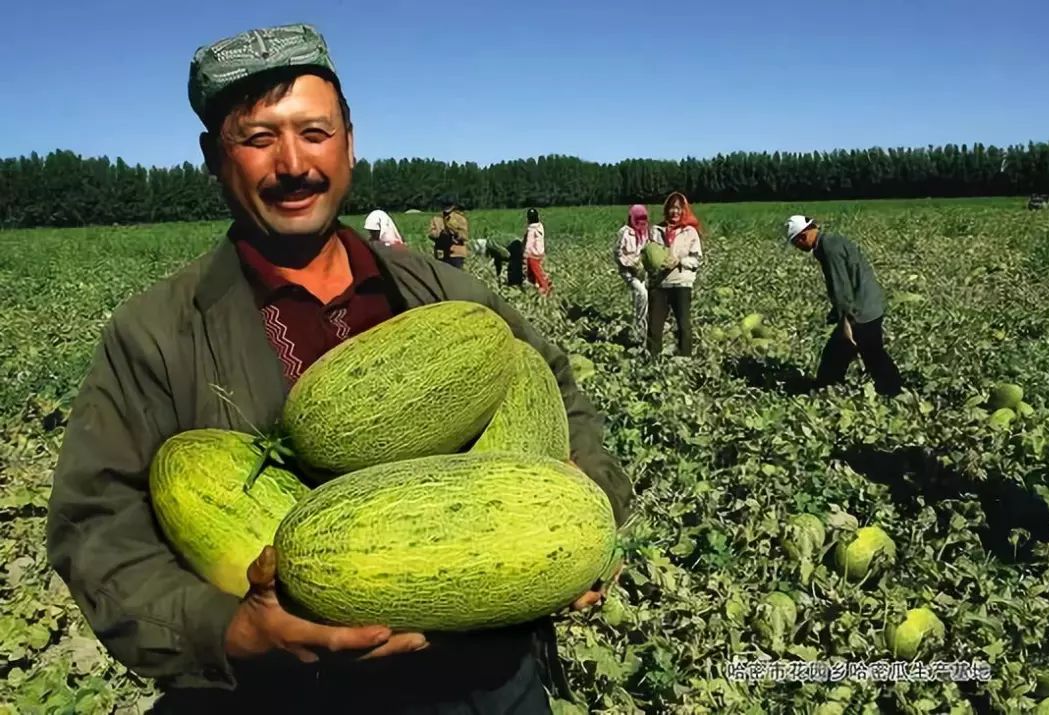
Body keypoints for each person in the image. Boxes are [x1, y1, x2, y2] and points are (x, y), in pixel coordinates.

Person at [45, 23, 633, 714]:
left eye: (315, 132)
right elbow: (94, 528)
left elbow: (562, 400)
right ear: (213, 156)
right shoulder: (156, 334)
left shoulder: (449, 297)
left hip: (484, 687)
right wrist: (231, 631)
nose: (293, 162)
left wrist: (582, 525)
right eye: (259, 137)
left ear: (350, 141)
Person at [785, 214, 903, 397]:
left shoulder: (829, 248)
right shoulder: (831, 241)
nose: (797, 248)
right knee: (846, 353)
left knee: (868, 355)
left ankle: (893, 392)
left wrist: (846, 323)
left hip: (861, 310)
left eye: (795, 243)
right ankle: (829, 389)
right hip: (867, 304)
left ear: (802, 237)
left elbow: (841, 288)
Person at [646, 192, 702, 357]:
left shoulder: (690, 232)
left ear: (684, 210)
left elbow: (697, 259)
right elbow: (649, 254)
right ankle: (652, 361)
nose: (674, 212)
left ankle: (685, 360)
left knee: (683, 325)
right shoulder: (656, 230)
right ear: (667, 210)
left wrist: (679, 261)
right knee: (654, 326)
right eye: (672, 208)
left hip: (681, 283)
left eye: (678, 208)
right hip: (659, 284)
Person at [613, 204, 656, 343]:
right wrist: (630, 263)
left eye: (643, 218)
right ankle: (639, 330)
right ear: (631, 218)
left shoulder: (646, 232)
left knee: (647, 296)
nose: (641, 220)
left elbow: (648, 250)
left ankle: (645, 327)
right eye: (638, 218)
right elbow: (617, 253)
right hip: (628, 271)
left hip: (642, 271)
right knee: (642, 294)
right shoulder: (624, 232)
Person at [427, 197, 469, 268]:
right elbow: (430, 233)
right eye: (444, 205)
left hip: (456, 253)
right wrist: (439, 234)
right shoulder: (436, 219)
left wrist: (455, 233)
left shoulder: (460, 219)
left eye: (449, 205)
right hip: (441, 252)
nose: (446, 207)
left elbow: (465, 236)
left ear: (453, 206)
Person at [523, 208, 551, 296]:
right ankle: (538, 283)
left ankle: (544, 287)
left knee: (536, 271)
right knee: (535, 270)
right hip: (540, 252)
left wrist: (525, 254)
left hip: (533, 255)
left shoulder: (531, 230)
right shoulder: (540, 226)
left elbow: (529, 243)